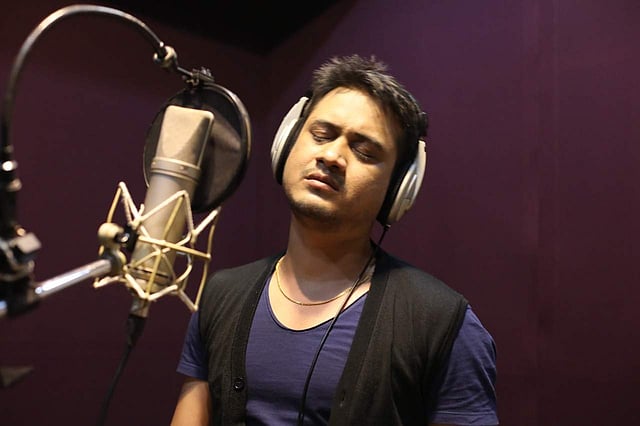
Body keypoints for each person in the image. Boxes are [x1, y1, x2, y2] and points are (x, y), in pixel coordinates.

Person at [170, 54, 498, 425]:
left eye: (364, 151)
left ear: (398, 189)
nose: (331, 156)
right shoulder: (221, 295)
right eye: (321, 135)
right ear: (287, 142)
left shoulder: (442, 322)